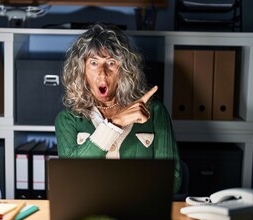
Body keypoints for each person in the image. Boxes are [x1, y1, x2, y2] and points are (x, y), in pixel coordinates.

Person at [55, 23, 182, 193]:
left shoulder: (155, 111)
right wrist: (116, 123)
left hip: (140, 213)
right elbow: (69, 179)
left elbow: (172, 182)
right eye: (94, 62)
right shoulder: (67, 119)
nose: (102, 72)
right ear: (82, 70)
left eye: (111, 63)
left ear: (124, 70)